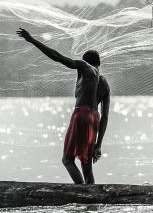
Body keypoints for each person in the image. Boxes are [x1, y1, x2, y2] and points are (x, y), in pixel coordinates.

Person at [16, 28, 110, 184]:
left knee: (67, 160)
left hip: (82, 115)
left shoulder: (84, 67)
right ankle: (91, 200)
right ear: (99, 63)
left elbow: (57, 57)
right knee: (87, 166)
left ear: (85, 62)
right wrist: (98, 145)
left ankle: (80, 192)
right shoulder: (105, 85)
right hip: (95, 120)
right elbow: (105, 117)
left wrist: (32, 40)